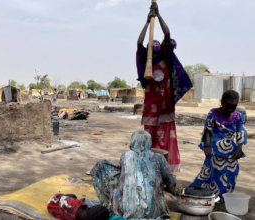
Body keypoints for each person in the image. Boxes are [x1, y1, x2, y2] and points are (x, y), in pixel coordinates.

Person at [136, 2, 193, 172]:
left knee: (165, 139)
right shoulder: (146, 61)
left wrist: (158, 16)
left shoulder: (166, 58)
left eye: (158, 50)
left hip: (166, 106)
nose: (156, 53)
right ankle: (148, 169)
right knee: (149, 139)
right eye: (153, 51)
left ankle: (166, 170)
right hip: (150, 108)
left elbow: (167, 34)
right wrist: (147, 22)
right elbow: (139, 42)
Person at [91, 130, 183, 219]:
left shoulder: (124, 156)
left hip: (123, 210)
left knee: (118, 178)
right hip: (153, 212)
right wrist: (180, 192)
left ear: (132, 141)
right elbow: (172, 182)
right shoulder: (159, 157)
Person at [189, 90, 247, 200]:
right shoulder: (213, 113)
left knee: (231, 173)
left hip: (231, 150)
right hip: (214, 148)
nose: (230, 109)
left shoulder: (239, 116)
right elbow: (208, 129)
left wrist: (239, 148)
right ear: (221, 102)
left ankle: (224, 197)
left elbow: (241, 131)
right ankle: (201, 193)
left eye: (233, 106)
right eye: (228, 106)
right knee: (210, 172)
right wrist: (207, 146)